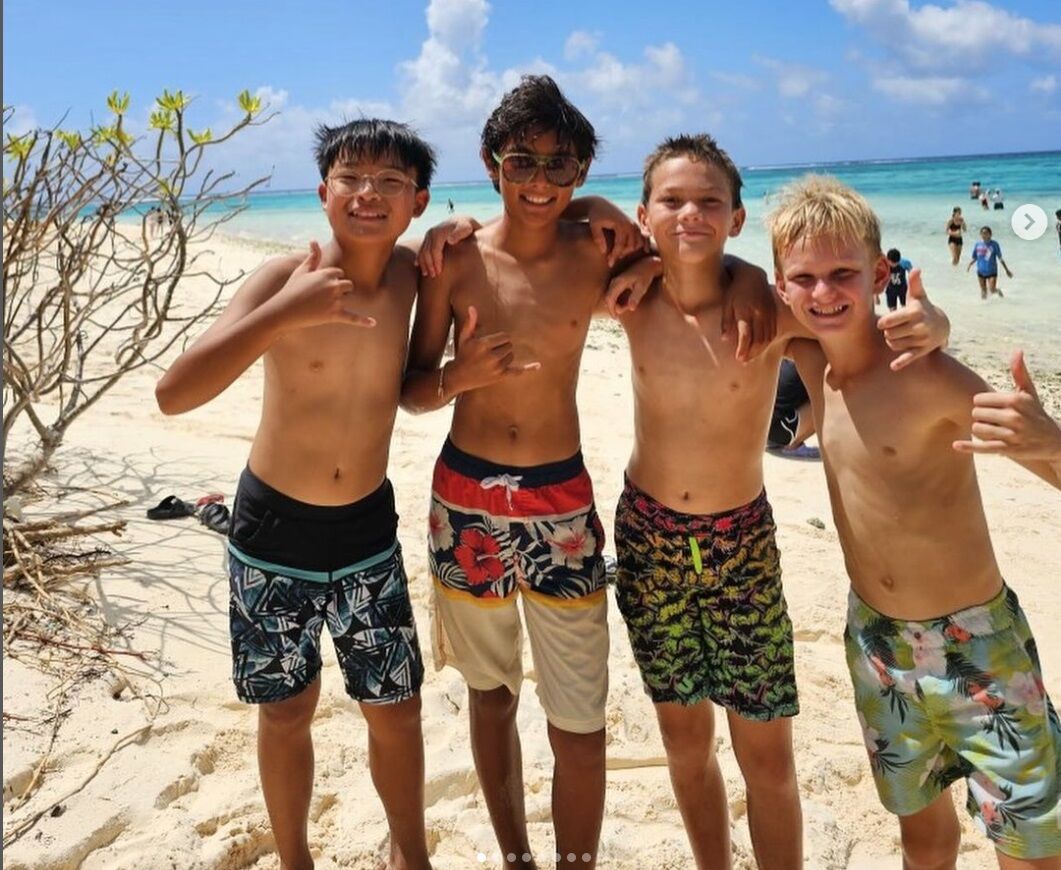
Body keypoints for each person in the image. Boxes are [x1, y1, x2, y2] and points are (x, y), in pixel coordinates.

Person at [401, 79, 772, 870]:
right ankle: (515, 858)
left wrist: (751, 280)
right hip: (463, 499)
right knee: (490, 695)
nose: (539, 182)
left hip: (560, 500)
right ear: (489, 164)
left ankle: (576, 862)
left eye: (559, 165)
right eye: (520, 162)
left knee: (579, 714)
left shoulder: (598, 250)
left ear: (579, 171)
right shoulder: (454, 260)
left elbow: (696, 257)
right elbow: (412, 388)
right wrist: (459, 379)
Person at [603, 138, 949, 869]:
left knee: (766, 754)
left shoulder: (772, 310)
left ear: (735, 220)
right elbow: (559, 234)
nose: (689, 214)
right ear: (642, 215)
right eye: (671, 201)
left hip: (741, 544)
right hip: (648, 537)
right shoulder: (629, 299)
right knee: (685, 744)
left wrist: (937, 325)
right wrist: (644, 261)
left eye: (709, 201)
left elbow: (860, 330)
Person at [154, 118, 438, 870]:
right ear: (322, 192)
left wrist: (454, 376)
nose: (368, 193)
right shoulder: (281, 278)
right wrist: (286, 312)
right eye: (351, 178)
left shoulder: (413, 277)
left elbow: (409, 383)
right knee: (285, 710)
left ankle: (410, 855)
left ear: (417, 201)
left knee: (396, 708)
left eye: (390, 181)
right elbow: (174, 394)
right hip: (273, 530)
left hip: (367, 530)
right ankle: (293, 860)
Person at [771, 175, 1061, 868]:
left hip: (978, 645)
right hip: (876, 646)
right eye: (803, 278)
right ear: (781, 287)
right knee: (921, 834)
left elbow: (1045, 466)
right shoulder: (808, 362)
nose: (823, 292)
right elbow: (712, 290)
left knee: (1030, 843)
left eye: (843, 274)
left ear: (879, 274)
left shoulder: (928, 377)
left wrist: (1048, 437)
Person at [767, 359, 817, 457]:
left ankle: (776, 440)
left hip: (763, 430)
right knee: (833, 397)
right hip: (781, 430)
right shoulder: (812, 360)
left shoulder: (786, 359)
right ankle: (794, 444)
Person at [967, 225, 1013, 300]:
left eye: (986, 233)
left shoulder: (994, 244)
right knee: (983, 291)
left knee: (992, 289)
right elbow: (975, 257)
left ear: (990, 234)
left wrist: (1007, 270)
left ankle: (999, 292)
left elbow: (1000, 258)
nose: (984, 235)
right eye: (982, 233)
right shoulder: (977, 244)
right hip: (981, 271)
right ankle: (984, 305)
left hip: (992, 271)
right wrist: (970, 264)